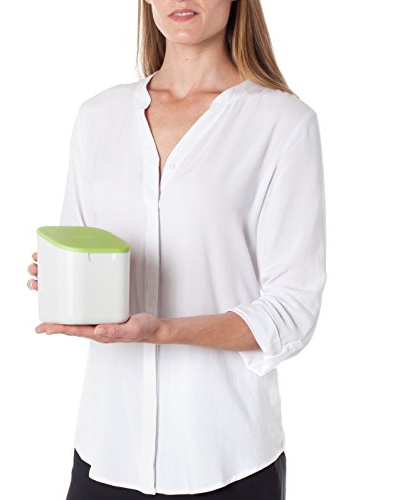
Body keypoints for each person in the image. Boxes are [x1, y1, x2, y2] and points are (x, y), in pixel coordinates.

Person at [26, 0, 327, 498]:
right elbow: (79, 244)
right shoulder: (98, 117)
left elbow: (292, 310)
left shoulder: (282, 123)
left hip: (227, 458)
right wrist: (67, 281)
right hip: (108, 450)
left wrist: (163, 331)